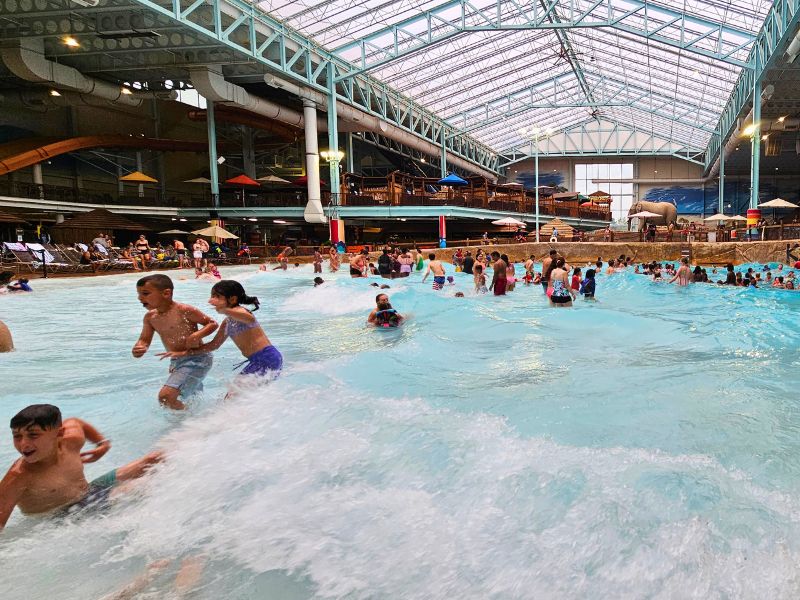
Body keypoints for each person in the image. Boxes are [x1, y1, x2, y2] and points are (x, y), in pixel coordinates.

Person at [0, 404, 162, 529]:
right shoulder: (19, 476)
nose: (24, 444)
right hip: (64, 516)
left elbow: (76, 422)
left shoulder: (71, 442)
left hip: (91, 491)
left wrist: (102, 444)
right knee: (139, 486)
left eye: (33, 435)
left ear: (59, 434)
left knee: (155, 458)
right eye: (17, 436)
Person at [159, 281, 282, 382]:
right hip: (260, 360)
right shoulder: (227, 322)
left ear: (233, 299)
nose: (212, 300)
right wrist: (184, 353)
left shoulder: (242, 312)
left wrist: (224, 309)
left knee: (235, 396)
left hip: (267, 357)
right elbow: (214, 345)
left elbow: (248, 318)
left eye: (217, 296)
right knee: (238, 396)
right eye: (212, 296)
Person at [132, 274, 218, 410]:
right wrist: (139, 347)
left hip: (197, 358)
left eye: (145, 293)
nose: (140, 298)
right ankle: (199, 417)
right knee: (189, 397)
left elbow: (212, 323)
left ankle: (187, 422)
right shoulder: (150, 317)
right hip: (177, 361)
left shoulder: (184, 310)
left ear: (166, 293)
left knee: (166, 397)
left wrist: (197, 335)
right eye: (139, 294)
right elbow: (144, 339)